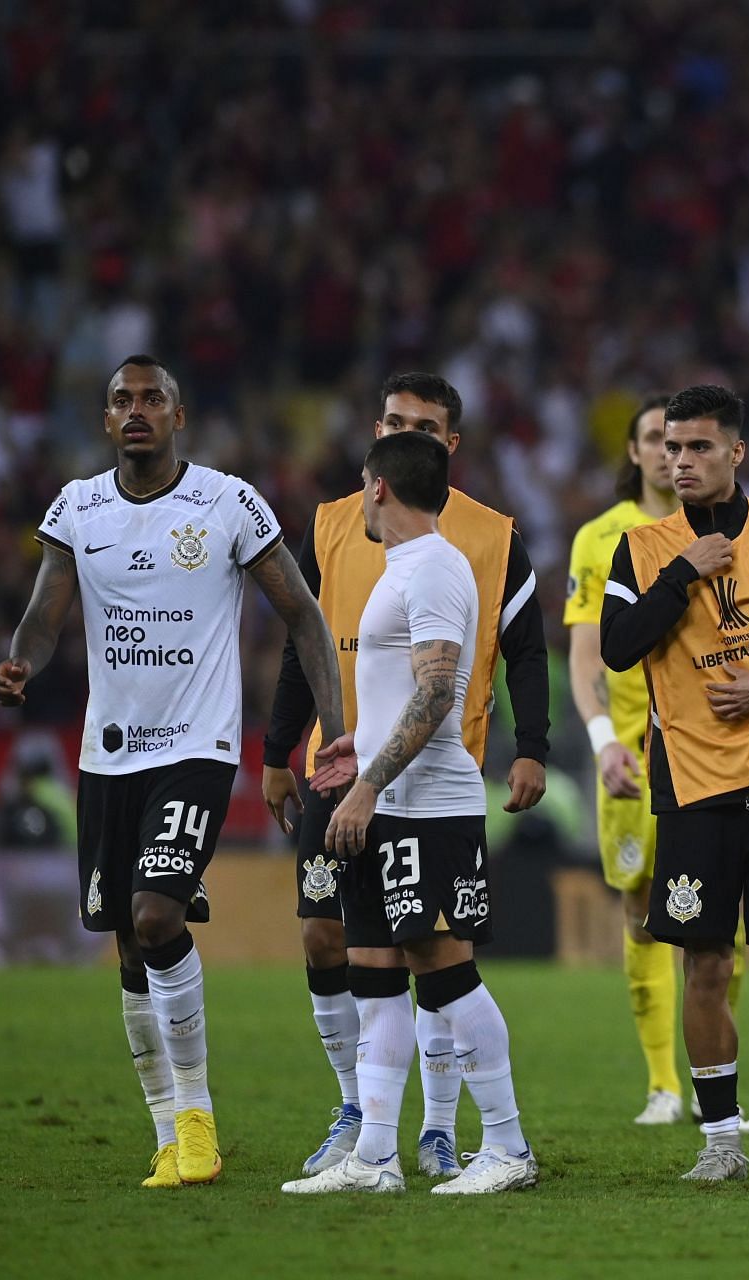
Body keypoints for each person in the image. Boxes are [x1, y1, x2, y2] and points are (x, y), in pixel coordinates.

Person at [0, 355, 347, 1188]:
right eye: (123, 400)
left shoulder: (225, 503)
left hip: (196, 749)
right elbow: (46, 615)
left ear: (179, 416)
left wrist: (332, 727)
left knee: (156, 919)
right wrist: (19, 662)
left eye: (154, 398)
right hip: (108, 754)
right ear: (106, 419)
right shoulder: (77, 509)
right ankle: (165, 1133)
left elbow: (302, 614)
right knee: (126, 944)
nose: (138, 410)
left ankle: (196, 1122)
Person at [262, 373, 550, 1179]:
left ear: (377, 485)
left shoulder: (430, 570)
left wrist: (367, 784)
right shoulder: (409, 564)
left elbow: (436, 695)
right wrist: (355, 748)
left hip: (426, 804)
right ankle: (375, 1155)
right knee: (377, 976)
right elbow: (403, 697)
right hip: (391, 795)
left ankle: (507, 1145)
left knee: (444, 972)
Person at [601, 384, 749, 1183]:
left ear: (736, 453)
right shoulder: (641, 548)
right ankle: (722, 1142)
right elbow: (616, 647)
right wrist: (681, 573)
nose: (680, 460)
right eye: (671, 447)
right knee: (706, 964)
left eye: (699, 447)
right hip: (693, 783)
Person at [566, 395, 699, 1126]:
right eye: (653, 438)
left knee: (723, 918)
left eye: (678, 440)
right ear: (634, 450)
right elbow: (587, 650)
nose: (664, 452)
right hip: (630, 756)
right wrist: (601, 740)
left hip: (711, 752)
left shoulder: (717, 530)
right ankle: (662, 1083)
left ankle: (717, 1080)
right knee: (644, 912)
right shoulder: (601, 538)